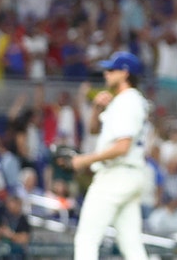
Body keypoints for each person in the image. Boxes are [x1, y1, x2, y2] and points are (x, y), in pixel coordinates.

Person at [70, 51, 151, 260]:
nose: (106, 73)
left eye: (111, 69)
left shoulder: (127, 101)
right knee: (131, 246)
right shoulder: (127, 101)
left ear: (125, 73)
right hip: (130, 175)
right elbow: (94, 129)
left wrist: (84, 160)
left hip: (116, 174)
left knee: (86, 239)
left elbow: (122, 146)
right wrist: (97, 108)